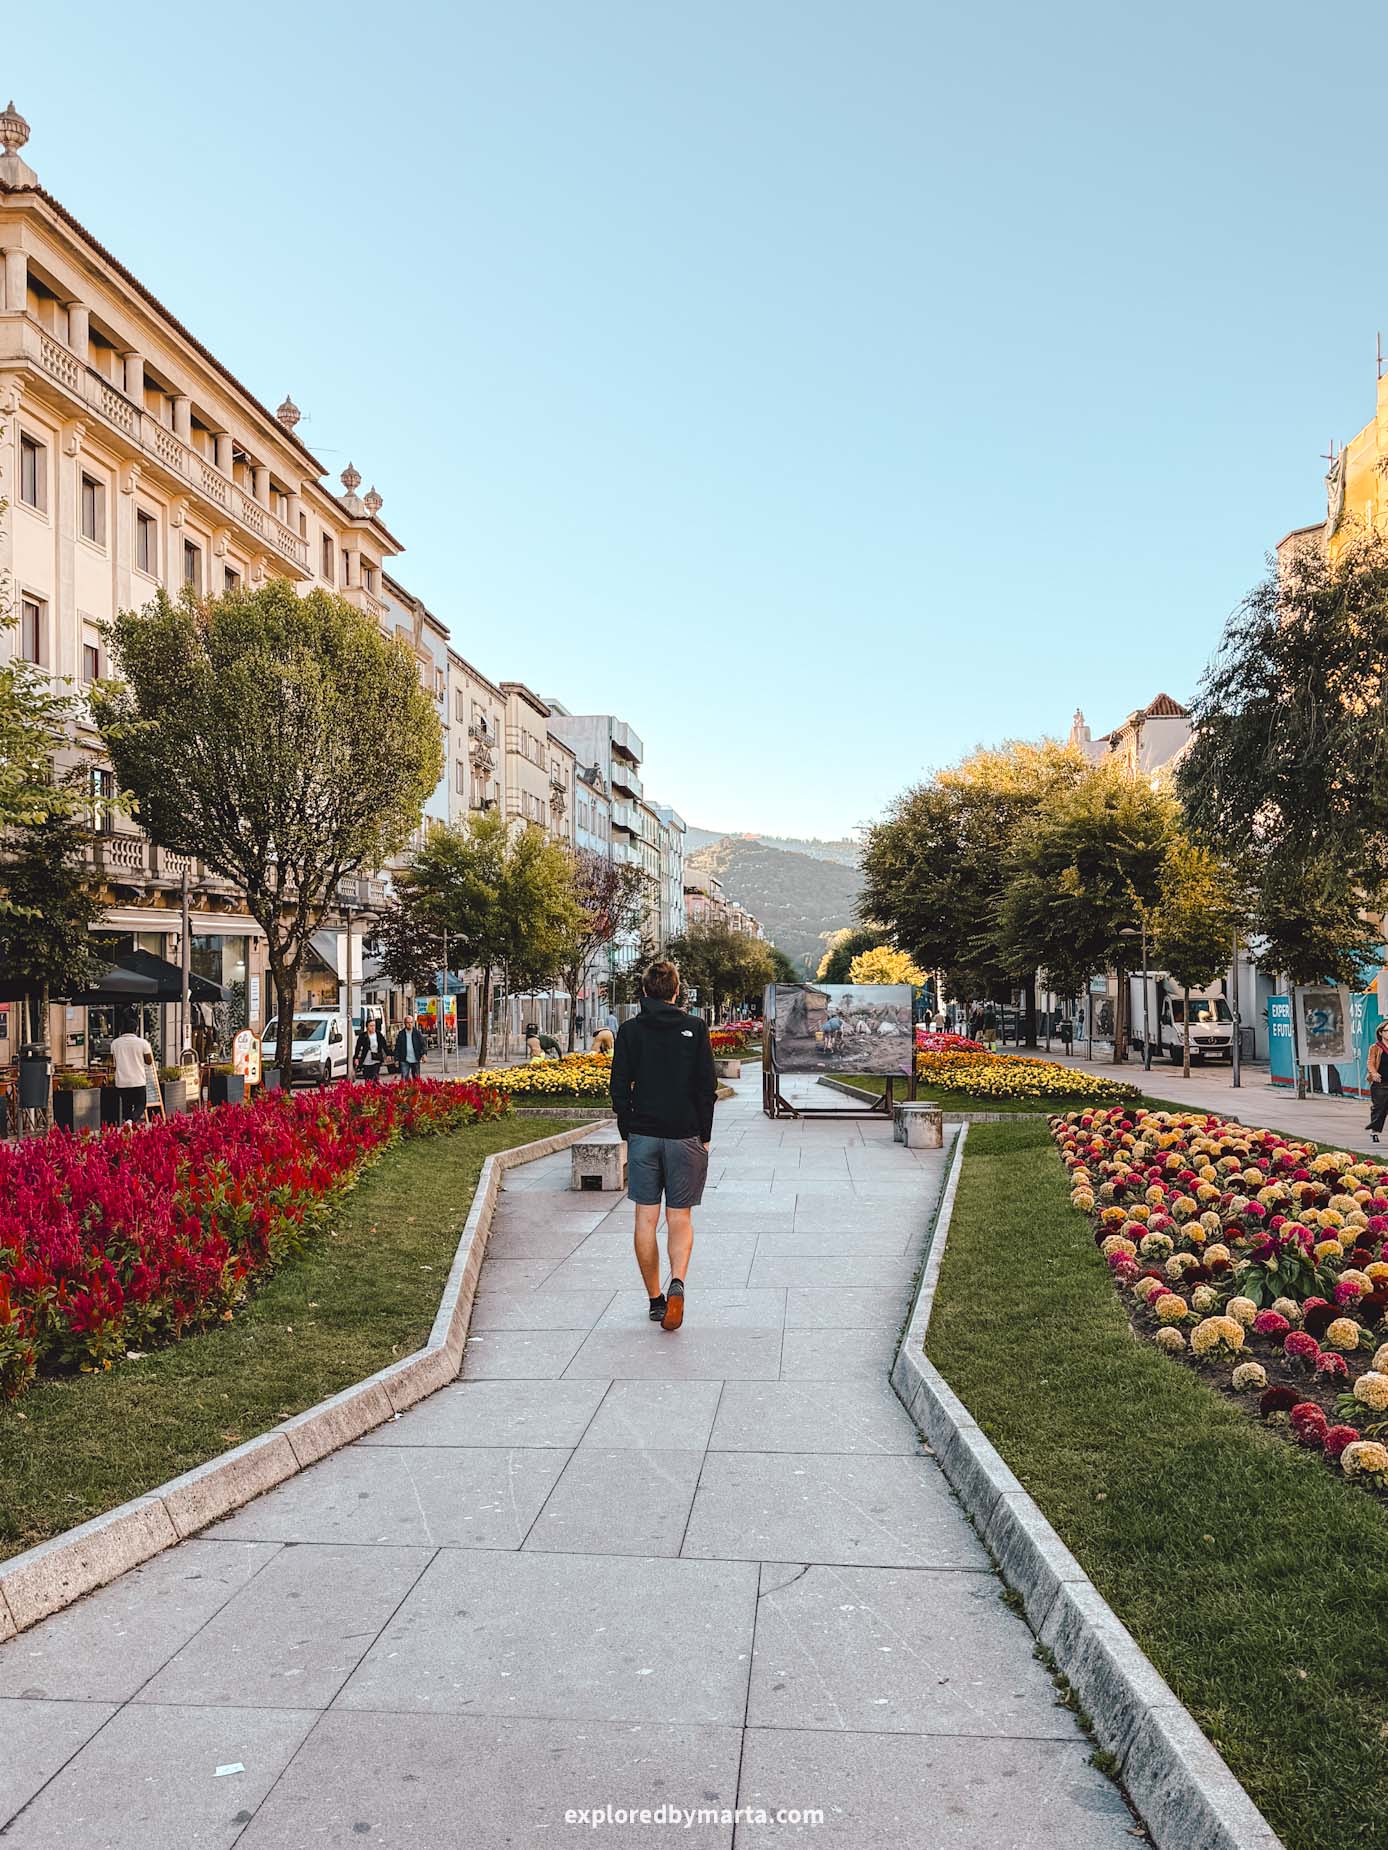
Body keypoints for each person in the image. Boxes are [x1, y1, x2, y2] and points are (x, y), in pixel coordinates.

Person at [610, 958, 717, 1332]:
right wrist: (704, 1133)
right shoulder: (695, 1027)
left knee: (645, 1218)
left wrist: (629, 1129)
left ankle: (655, 1299)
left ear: (643, 992)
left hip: (644, 1134)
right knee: (680, 1217)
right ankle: (678, 1282)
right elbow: (707, 1087)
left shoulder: (629, 1031)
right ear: (676, 991)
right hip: (685, 1133)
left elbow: (619, 1087)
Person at [110, 1011, 155, 1124]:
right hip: (138, 1080)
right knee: (141, 1104)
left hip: (122, 1081)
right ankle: (130, 1122)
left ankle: (128, 1124)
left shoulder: (115, 1043)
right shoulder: (142, 1043)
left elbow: (113, 1061)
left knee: (126, 1104)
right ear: (136, 1029)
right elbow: (149, 1061)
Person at [1367, 1024, 1388, 1142]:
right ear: (1381, 1032)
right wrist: (1373, 1073)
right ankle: (1374, 1132)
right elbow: (1370, 1062)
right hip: (1380, 1083)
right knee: (1379, 1108)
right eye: (1387, 1030)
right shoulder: (1375, 1048)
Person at [354, 1016, 388, 1081]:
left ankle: (375, 1089)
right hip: (366, 1059)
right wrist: (356, 1058)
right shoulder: (363, 1036)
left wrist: (388, 1054)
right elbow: (358, 1047)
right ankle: (369, 1089)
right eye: (371, 1026)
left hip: (376, 1058)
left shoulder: (378, 1034)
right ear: (367, 1027)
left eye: (374, 1025)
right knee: (367, 1078)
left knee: (374, 1076)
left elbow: (384, 1045)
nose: (373, 1027)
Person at [395, 1018, 427, 1082]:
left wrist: (424, 1054)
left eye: (411, 1022)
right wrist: (396, 1059)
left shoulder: (417, 1033)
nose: (410, 1024)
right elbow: (397, 1047)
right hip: (404, 1059)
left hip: (415, 1058)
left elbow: (423, 1044)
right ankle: (405, 1091)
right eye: (408, 1022)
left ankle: (416, 1091)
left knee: (416, 1078)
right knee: (404, 1078)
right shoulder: (401, 1034)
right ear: (405, 1024)